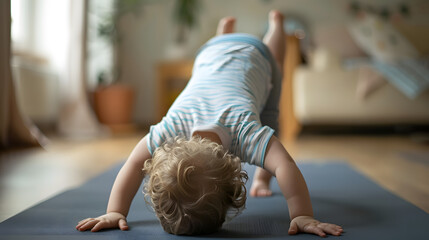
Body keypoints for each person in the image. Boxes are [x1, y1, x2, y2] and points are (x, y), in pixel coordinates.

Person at [76, 10, 343, 237]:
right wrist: (116, 210)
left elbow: (285, 165)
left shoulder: (244, 132)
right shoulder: (170, 130)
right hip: (208, 54)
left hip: (256, 55)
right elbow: (134, 164)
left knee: (272, 109)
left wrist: (302, 214)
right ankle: (224, 32)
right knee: (270, 142)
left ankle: (276, 28)